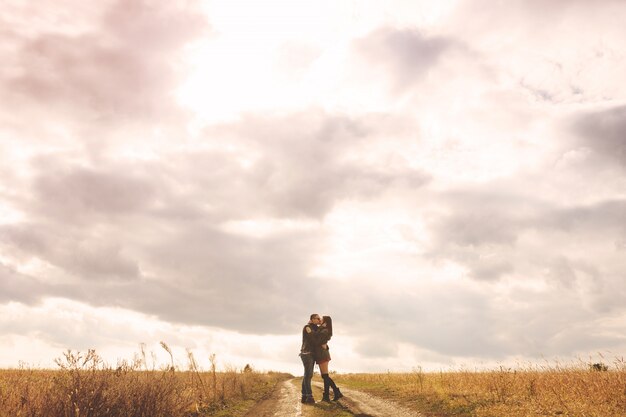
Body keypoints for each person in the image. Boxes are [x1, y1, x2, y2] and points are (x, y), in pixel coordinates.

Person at [315, 315, 343, 402]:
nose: (320, 320)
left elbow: (318, 341)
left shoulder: (324, 330)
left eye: (321, 319)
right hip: (321, 353)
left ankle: (330, 394)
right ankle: (333, 393)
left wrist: (319, 329)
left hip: (322, 354)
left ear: (325, 322)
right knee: (325, 376)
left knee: (325, 376)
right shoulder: (323, 329)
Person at [299, 313, 321, 404]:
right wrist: (319, 327)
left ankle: (304, 396)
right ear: (312, 319)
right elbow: (313, 337)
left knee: (307, 375)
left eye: (319, 319)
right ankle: (310, 397)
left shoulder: (315, 328)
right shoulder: (307, 327)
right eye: (317, 318)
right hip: (306, 353)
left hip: (311, 354)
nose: (319, 320)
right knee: (308, 375)